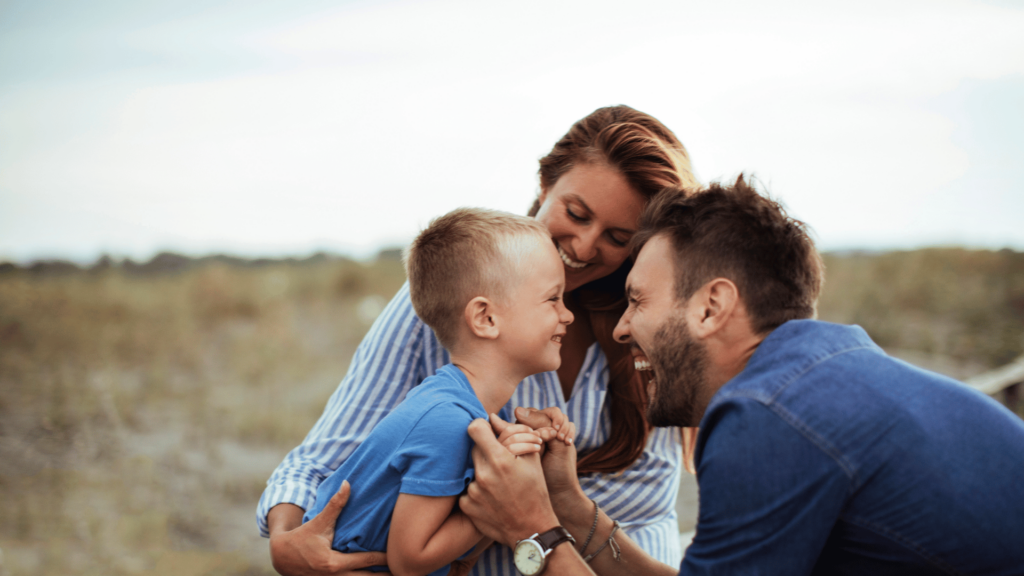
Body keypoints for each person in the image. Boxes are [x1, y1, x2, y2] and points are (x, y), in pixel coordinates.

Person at [459, 176, 1024, 575]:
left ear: (711, 307)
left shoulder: (766, 416)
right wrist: (570, 508)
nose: (624, 328)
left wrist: (532, 529)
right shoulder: (825, 379)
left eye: (638, 300)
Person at [258, 105, 701, 576]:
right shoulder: (453, 301)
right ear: (544, 185)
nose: (586, 246)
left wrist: (534, 507)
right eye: (575, 213)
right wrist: (288, 543)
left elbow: (641, 506)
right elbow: (327, 458)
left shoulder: (653, 329)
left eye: (617, 236)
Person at [301, 208, 577, 576]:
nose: (567, 314)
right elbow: (409, 560)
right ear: (486, 318)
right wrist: (498, 508)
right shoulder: (446, 422)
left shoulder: (453, 403)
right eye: (552, 299)